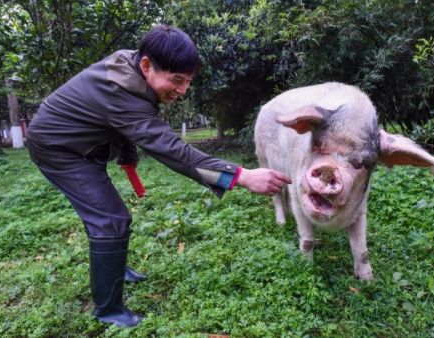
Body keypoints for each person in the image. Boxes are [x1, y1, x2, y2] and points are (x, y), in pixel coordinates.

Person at [26, 24, 291, 328]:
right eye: (177, 80)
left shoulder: (131, 70)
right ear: (146, 65)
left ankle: (113, 267)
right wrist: (240, 176)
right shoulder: (121, 89)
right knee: (110, 220)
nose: (182, 90)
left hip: (81, 142)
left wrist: (127, 153)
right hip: (59, 148)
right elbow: (173, 151)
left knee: (109, 217)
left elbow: (119, 120)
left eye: (188, 81)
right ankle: (108, 310)